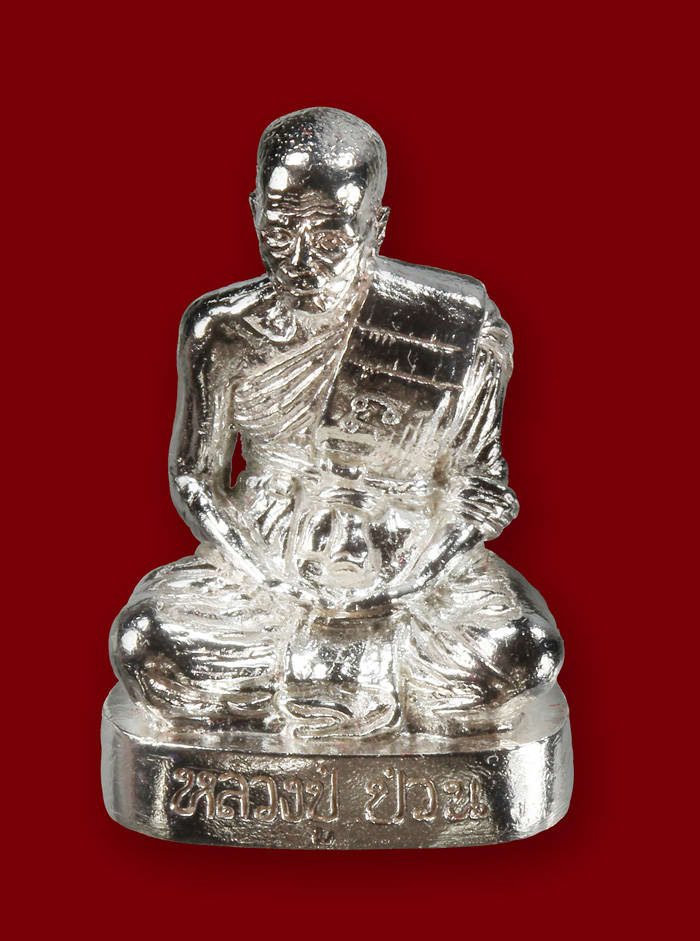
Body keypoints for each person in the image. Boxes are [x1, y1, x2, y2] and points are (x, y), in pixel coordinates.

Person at [110, 107, 563, 738]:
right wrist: (267, 573)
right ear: (254, 213)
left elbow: (478, 489)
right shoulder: (219, 330)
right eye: (280, 229)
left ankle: (332, 682)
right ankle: (370, 686)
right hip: (267, 556)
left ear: (375, 227)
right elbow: (194, 477)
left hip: (412, 557)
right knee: (149, 645)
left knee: (521, 655)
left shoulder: (452, 330)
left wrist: (408, 580)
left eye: (329, 236)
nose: (299, 259)